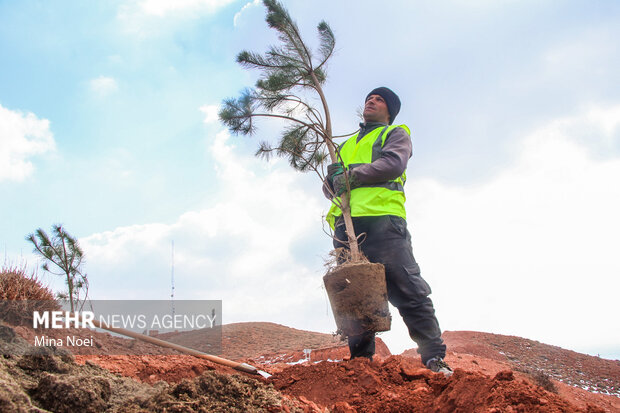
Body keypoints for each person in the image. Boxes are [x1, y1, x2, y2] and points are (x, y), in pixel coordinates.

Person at [323, 87, 452, 376]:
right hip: (347, 227)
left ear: (389, 111)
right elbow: (328, 183)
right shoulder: (344, 146)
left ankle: (433, 357)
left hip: (383, 221)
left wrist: (350, 175)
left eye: (379, 99)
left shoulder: (394, 133)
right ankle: (360, 363)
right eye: (369, 97)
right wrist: (334, 182)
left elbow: (393, 164)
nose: (371, 101)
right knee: (355, 295)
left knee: (407, 288)